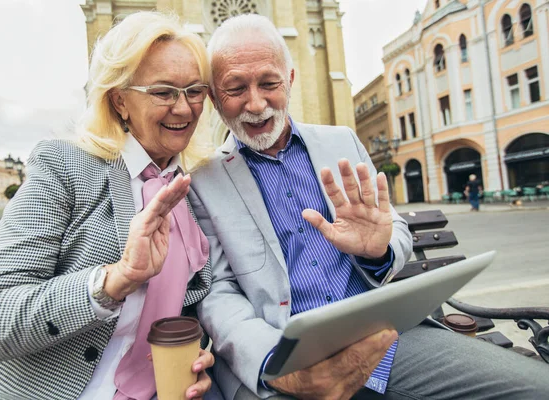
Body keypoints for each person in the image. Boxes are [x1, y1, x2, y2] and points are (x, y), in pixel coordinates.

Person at [189, 14, 549, 400]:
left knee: (534, 388)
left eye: (269, 83)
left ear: (290, 80)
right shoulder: (203, 179)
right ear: (213, 98)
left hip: (383, 336)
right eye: (235, 88)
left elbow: (393, 231)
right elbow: (218, 292)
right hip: (281, 358)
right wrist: (275, 365)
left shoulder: (342, 141)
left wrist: (377, 248)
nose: (256, 103)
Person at [0, 12, 220, 400]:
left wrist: (195, 361)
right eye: (163, 92)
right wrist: (114, 280)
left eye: (195, 91)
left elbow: (182, 312)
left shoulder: (191, 186)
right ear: (120, 101)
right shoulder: (65, 167)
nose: (184, 108)